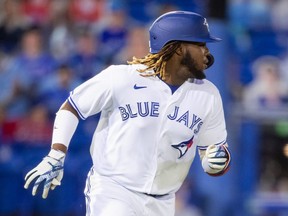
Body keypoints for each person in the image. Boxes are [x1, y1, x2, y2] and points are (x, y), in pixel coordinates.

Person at [24, 11, 231, 216]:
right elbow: (72, 106)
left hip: (163, 200)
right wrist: (56, 154)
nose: (206, 52)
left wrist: (217, 162)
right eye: (200, 44)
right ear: (176, 49)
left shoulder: (208, 94)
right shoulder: (123, 77)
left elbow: (213, 151)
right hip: (114, 190)